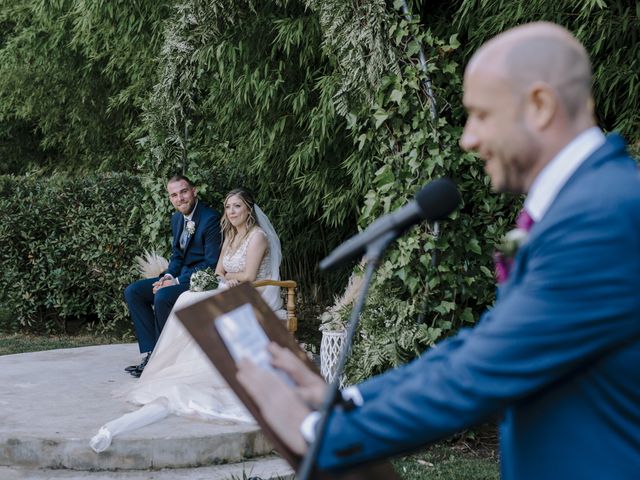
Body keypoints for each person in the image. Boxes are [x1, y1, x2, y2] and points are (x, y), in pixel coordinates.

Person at [236, 22, 640, 479]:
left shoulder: (599, 216)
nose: (468, 139)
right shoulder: (584, 202)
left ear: (540, 105)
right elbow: (482, 344)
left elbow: (482, 370)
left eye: (481, 115)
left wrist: (314, 431)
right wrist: (347, 400)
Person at [90, 188, 285, 452]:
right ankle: (168, 361)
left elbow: (250, 276)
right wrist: (214, 278)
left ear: (249, 209)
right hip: (228, 287)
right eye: (228, 207)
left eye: (237, 207)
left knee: (192, 301)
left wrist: (227, 277)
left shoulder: (257, 236)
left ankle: (201, 365)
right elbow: (218, 270)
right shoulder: (230, 234)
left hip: (253, 294)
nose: (231, 212)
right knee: (186, 300)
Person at [123, 174, 222, 377]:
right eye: (174, 195)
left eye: (184, 192)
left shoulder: (210, 219)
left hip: (200, 281)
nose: (180, 198)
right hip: (179, 278)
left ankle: (163, 358)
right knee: (134, 291)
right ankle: (152, 352)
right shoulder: (177, 219)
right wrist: (167, 276)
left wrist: (176, 281)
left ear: (193, 191)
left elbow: (211, 264)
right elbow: (177, 255)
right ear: (170, 198)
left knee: (163, 296)